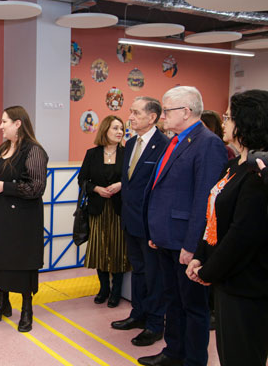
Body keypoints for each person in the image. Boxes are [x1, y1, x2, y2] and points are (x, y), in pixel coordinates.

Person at [138, 86, 227, 366]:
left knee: (193, 306)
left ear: (186, 112)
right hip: (166, 237)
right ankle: (173, 352)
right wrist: (155, 231)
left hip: (186, 242)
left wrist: (192, 246)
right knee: (173, 301)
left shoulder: (208, 143)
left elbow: (205, 200)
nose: (162, 115)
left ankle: (194, 360)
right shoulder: (175, 140)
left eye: (167, 110)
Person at [187, 89, 268, 366]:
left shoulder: (257, 173)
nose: (224, 122)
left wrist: (209, 271)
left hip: (247, 285)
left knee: (242, 357)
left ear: (246, 123)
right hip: (226, 281)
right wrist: (200, 255)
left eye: (229, 117)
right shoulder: (233, 165)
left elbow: (242, 234)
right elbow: (213, 218)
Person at [0, 106, 48, 333]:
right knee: (0, 258)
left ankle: (27, 309)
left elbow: (36, 187)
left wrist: (4, 187)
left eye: (4, 122)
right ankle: (3, 302)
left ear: (18, 124)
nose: (0, 126)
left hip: (23, 220)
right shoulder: (4, 147)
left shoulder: (34, 151)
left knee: (22, 262)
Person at [111, 97, 168, 347]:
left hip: (150, 223)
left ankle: (155, 324)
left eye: (136, 113)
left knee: (154, 275)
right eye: (131, 112)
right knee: (138, 271)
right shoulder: (132, 142)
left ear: (152, 117)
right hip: (130, 220)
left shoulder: (164, 145)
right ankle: (138, 313)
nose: (130, 117)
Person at [78, 115, 128, 308]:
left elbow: (133, 179)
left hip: (119, 209)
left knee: (118, 250)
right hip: (97, 209)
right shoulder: (92, 154)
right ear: (105, 130)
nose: (119, 132)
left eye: (121, 128)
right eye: (115, 128)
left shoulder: (127, 153)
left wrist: (120, 185)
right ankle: (103, 289)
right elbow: (82, 180)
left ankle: (116, 292)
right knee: (99, 250)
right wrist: (97, 189)